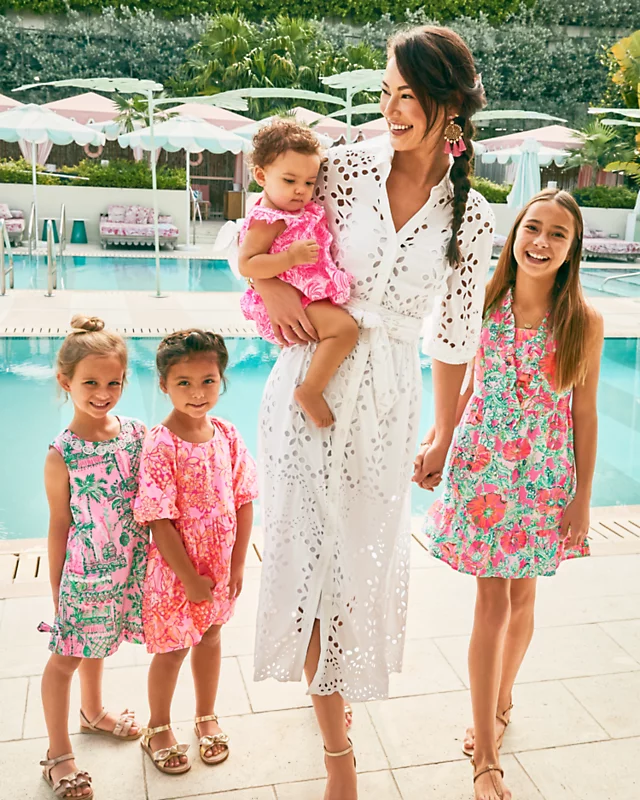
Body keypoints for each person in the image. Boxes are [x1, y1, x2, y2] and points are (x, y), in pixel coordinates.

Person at [252, 26, 495, 800]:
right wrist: (273, 287)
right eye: (385, 93)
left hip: (388, 404)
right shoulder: (346, 168)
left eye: (407, 96)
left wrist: (445, 433)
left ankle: (335, 691)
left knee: (354, 565)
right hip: (310, 384)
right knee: (307, 559)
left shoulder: (472, 217)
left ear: (449, 105)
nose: (390, 110)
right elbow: (260, 224)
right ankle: (338, 758)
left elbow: (454, 337)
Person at [423, 189, 604, 800]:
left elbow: (584, 414)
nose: (541, 242)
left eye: (557, 234)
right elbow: (463, 384)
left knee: (524, 595)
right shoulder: (483, 302)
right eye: (533, 227)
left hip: (542, 476)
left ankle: (502, 699)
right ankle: (486, 753)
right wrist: (439, 442)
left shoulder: (583, 322)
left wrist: (582, 496)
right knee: (492, 601)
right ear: (515, 232)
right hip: (482, 470)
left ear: (572, 248)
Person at [133, 330, 258, 775]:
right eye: (183, 382)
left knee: (211, 638)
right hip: (176, 573)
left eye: (208, 380)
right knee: (172, 650)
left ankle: (206, 716)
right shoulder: (160, 443)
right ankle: (158, 726)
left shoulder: (227, 434)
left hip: (219, 568)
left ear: (222, 379)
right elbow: (158, 519)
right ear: (163, 384)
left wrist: (238, 563)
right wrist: (188, 578)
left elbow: (244, 499)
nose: (197, 392)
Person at [40, 315, 148, 800]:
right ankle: (58, 753)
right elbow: (59, 524)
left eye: (113, 382)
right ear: (66, 382)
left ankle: (93, 711)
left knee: (99, 643)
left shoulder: (136, 434)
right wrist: (56, 586)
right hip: (84, 574)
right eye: (90, 383)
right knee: (66, 657)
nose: (103, 393)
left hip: (127, 568)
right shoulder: (61, 454)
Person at [238, 119, 359, 427]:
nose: (301, 191)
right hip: (294, 297)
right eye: (290, 180)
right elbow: (247, 263)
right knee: (345, 330)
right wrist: (289, 258)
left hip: (305, 293)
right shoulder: (267, 219)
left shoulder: (295, 211)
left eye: (308, 183)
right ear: (261, 176)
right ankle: (310, 390)